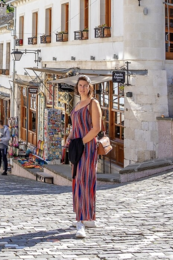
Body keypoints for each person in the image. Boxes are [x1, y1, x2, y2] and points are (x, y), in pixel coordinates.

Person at [67, 76, 102, 238]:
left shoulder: (93, 104)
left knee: (85, 179)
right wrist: (68, 139)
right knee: (77, 180)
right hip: (76, 147)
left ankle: (81, 221)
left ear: (90, 87)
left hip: (87, 147)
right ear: (77, 87)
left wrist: (81, 142)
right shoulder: (77, 104)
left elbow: (97, 128)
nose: (82, 88)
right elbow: (74, 127)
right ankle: (87, 216)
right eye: (80, 85)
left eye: (85, 86)